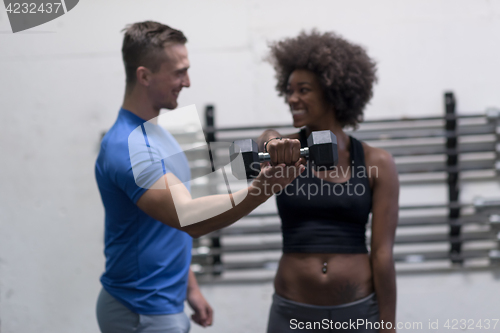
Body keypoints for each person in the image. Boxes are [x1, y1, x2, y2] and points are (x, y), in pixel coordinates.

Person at [94, 21, 304, 333]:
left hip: (164, 303)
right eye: (179, 72)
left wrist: (189, 288)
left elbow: (164, 225)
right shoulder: (130, 146)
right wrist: (264, 188)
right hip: (141, 311)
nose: (188, 82)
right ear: (144, 76)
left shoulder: (155, 133)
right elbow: (187, 217)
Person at [259, 31, 399, 332]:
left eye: (304, 89)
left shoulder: (378, 163)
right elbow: (266, 139)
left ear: (333, 92)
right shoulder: (284, 151)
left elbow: (383, 253)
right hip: (291, 313)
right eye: (289, 90)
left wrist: (388, 325)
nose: (292, 98)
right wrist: (271, 140)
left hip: (358, 312)